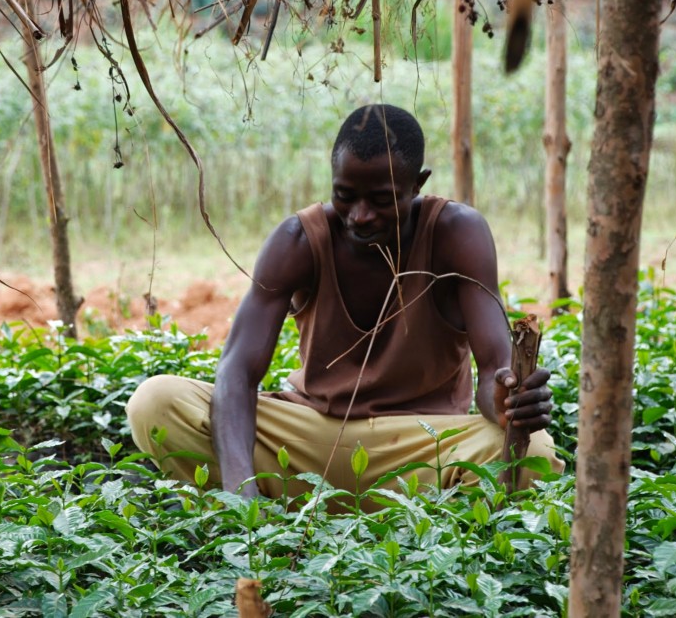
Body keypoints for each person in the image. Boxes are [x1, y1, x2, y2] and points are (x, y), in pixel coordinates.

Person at [127, 104, 563, 504]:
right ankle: (268, 496)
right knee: (156, 402)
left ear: (418, 184)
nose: (359, 215)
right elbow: (237, 371)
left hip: (419, 445)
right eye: (345, 195)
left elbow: (493, 370)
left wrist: (508, 404)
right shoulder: (297, 240)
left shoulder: (457, 234)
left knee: (534, 451)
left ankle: (348, 504)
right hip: (310, 437)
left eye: (381, 199)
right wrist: (240, 493)